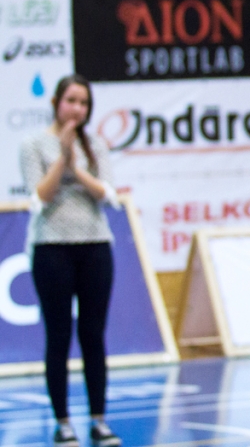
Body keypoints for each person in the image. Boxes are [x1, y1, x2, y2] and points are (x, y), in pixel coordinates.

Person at [18, 75, 121, 447]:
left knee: (93, 335)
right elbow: (40, 197)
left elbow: (108, 195)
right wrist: (61, 157)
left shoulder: (95, 144)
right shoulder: (32, 144)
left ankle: (98, 419)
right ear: (56, 103)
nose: (77, 109)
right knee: (58, 335)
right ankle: (63, 422)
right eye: (71, 101)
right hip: (51, 249)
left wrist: (75, 166)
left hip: (95, 247)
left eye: (84, 103)